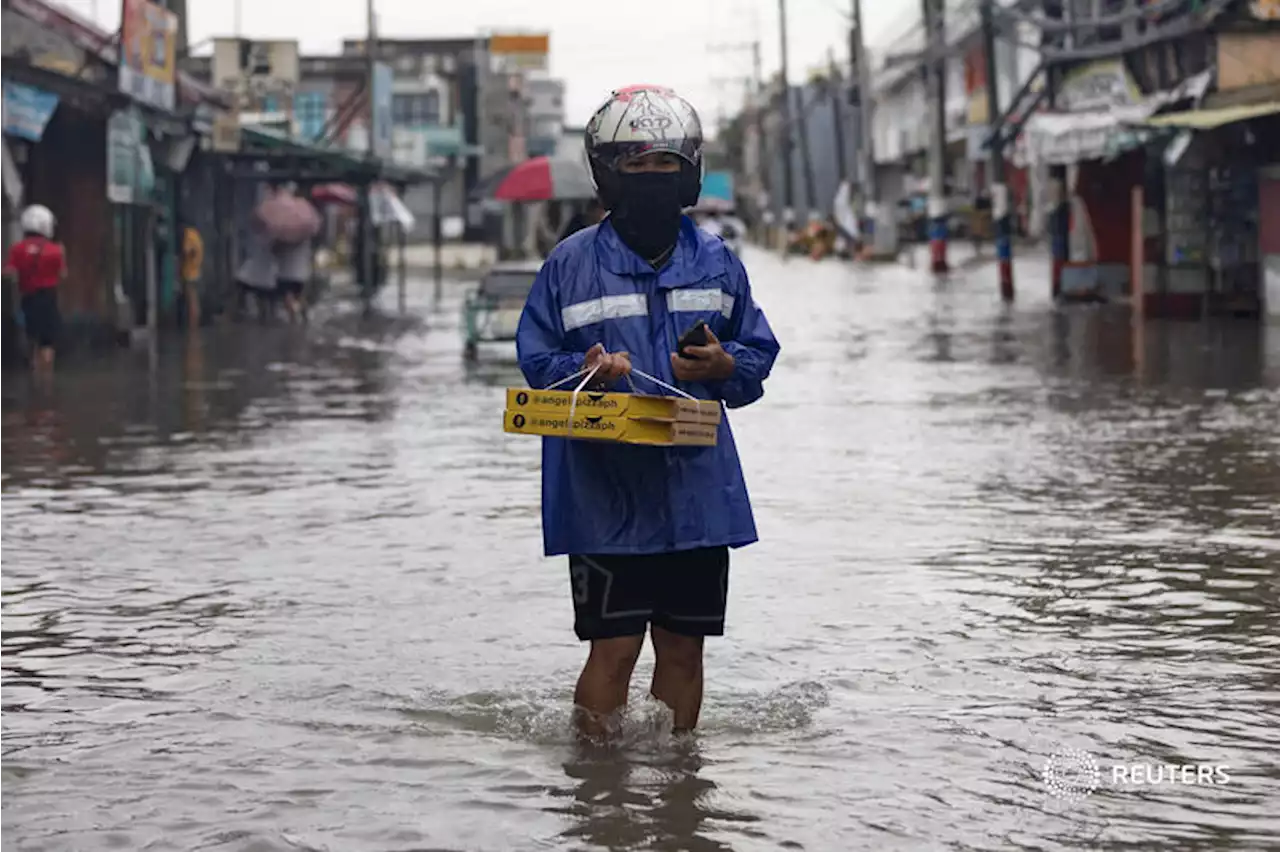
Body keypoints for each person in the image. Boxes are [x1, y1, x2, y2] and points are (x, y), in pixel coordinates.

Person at [516, 84, 781, 740]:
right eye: (636, 167)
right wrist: (585, 374)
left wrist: (725, 367)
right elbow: (536, 359)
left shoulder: (720, 264)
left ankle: (677, 788)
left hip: (696, 495)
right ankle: (599, 789)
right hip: (604, 495)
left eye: (666, 165)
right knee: (613, 650)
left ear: (688, 172)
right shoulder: (569, 266)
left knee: (685, 649)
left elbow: (756, 356)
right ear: (608, 174)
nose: (653, 180)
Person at [2, 204, 66, 372]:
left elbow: (8, 272)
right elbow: (63, 274)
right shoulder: (56, 250)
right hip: (48, 298)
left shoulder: (17, 249)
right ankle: (46, 381)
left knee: (32, 339)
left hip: (28, 298)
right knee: (47, 342)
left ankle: (34, 372)